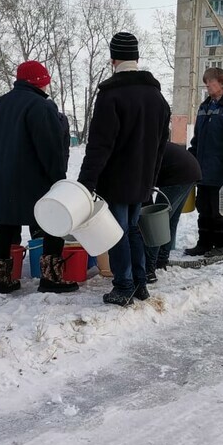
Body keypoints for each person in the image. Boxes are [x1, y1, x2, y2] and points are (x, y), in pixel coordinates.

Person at [77, 32, 170, 306]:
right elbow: (161, 145)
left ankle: (124, 285)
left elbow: (99, 145)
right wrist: (151, 179)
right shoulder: (157, 97)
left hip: (116, 178)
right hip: (142, 178)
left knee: (117, 231)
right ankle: (140, 283)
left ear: (113, 59)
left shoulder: (111, 96)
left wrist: (86, 183)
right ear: (137, 58)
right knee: (132, 230)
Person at [0, 60, 76, 295]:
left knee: (4, 225)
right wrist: (58, 179)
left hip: (1, 177)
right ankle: (51, 278)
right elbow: (50, 148)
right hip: (33, 179)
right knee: (52, 224)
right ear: (40, 82)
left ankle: (1, 280)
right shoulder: (40, 107)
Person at [184, 67, 223, 257]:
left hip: (221, 173)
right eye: (206, 81)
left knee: (219, 212)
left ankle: (221, 246)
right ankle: (204, 243)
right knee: (204, 209)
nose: (207, 85)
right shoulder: (205, 108)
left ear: (221, 83)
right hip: (203, 172)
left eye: (210, 81)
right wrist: (190, 163)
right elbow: (196, 141)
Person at [144, 141, 202, 282]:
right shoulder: (147, 143)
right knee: (170, 219)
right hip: (190, 170)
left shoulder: (140, 151)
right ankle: (162, 259)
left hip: (179, 174)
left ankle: (149, 269)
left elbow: (145, 182)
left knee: (157, 222)